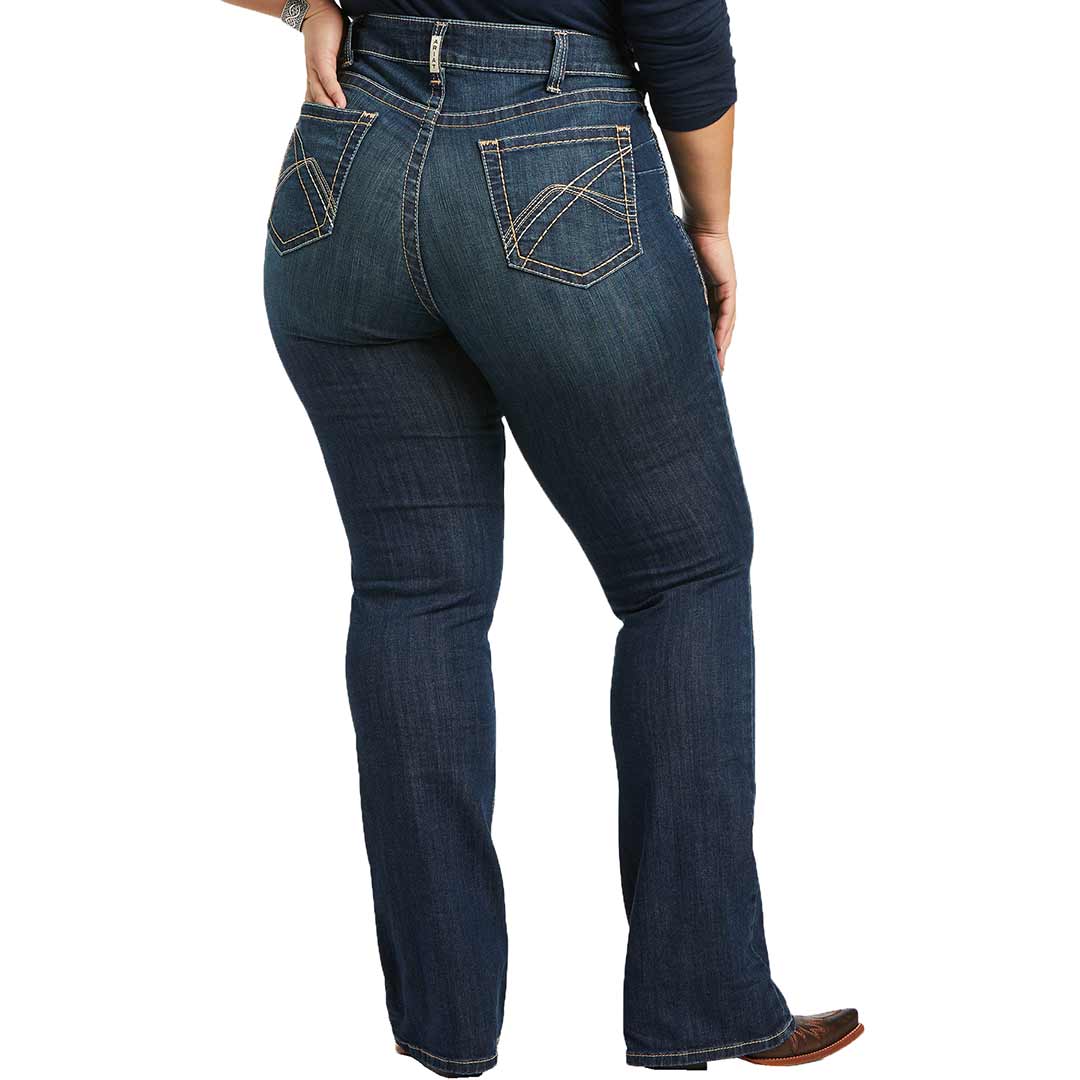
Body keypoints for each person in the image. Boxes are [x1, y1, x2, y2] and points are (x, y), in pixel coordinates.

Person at [223, 1, 862, 1073]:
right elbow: (680, 28)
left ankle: (444, 1028)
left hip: (347, 169)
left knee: (414, 595)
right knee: (686, 575)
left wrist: (305, 4)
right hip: (554, 160)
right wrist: (710, 223)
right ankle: (704, 1000)